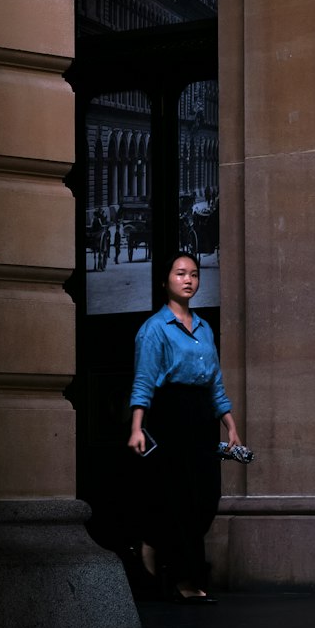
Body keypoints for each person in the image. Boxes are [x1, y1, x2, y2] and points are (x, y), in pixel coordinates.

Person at [127, 250, 241, 602]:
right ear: (165, 281)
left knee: (207, 497)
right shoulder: (154, 330)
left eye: (194, 274)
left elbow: (215, 383)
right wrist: (136, 427)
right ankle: (184, 578)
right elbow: (144, 382)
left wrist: (231, 426)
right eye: (180, 273)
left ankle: (154, 542)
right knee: (181, 499)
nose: (189, 279)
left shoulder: (205, 328)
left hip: (201, 417)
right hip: (170, 413)